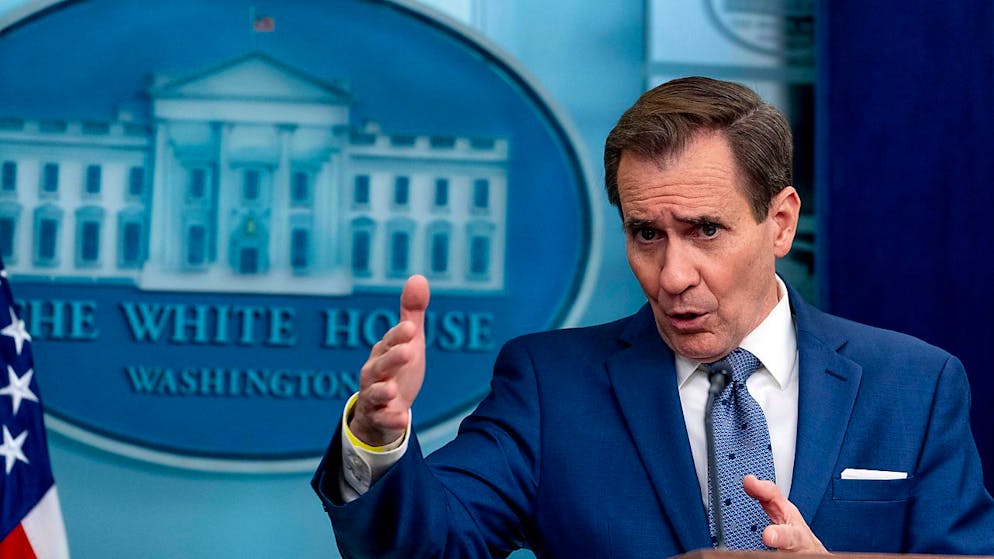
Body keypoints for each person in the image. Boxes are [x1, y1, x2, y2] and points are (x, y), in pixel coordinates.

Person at [312, 77, 994, 557]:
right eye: (646, 233)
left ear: (780, 222)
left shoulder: (915, 385)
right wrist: (376, 440)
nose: (672, 275)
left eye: (704, 230)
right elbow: (428, 549)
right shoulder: (550, 386)